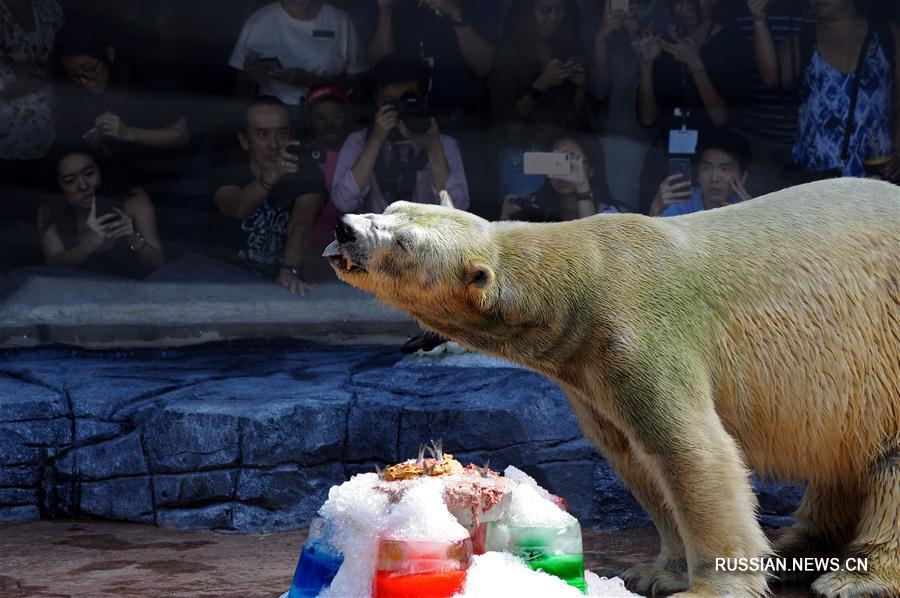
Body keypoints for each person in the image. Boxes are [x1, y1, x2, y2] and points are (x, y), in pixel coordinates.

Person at [366, 0, 505, 216]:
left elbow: (484, 65)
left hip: (464, 119)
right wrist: (385, 13)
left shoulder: (475, 6)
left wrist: (454, 11)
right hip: (404, 117)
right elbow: (378, 68)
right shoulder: (397, 7)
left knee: (472, 203)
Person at [750, 0, 900, 182]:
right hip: (816, 176)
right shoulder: (805, 38)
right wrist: (759, 19)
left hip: (877, 169)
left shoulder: (887, 34)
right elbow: (771, 77)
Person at [212, 96, 327, 296]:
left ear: (291, 135)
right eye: (263, 134)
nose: (274, 144)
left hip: (281, 282)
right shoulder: (229, 166)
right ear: (244, 141)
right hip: (225, 283)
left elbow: (300, 227)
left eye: (282, 133)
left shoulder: (308, 172)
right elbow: (237, 208)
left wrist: (289, 271)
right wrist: (272, 174)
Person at [331, 53, 470, 214]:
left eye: (406, 101)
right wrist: (375, 140)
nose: (399, 110)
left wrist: (433, 148)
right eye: (390, 103)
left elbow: (458, 211)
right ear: (377, 101)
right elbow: (343, 202)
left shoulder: (443, 143)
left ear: (423, 99)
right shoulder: (360, 140)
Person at [53, 23, 191, 184]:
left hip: (165, 173)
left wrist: (128, 133)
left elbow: (181, 135)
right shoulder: (74, 94)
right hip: (118, 177)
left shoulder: (144, 80)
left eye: (89, 69)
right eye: (75, 75)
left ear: (109, 55)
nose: (84, 81)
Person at [490, 0, 591, 204]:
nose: (553, 19)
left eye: (560, 11)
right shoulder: (510, 49)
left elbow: (577, 120)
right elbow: (507, 118)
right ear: (529, 10)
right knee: (530, 222)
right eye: (546, 11)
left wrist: (580, 87)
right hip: (525, 153)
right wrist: (541, 85)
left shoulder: (568, 44)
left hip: (559, 154)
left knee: (566, 223)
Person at [586, 0, 671, 212]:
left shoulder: (658, 22)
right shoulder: (592, 27)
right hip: (604, 137)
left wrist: (637, 35)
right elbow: (599, 90)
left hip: (640, 141)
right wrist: (601, 37)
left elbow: (650, 113)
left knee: (631, 210)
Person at [37, 142, 166, 277]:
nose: (83, 186)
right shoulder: (51, 206)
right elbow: (53, 267)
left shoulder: (132, 199)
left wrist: (134, 239)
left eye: (89, 173)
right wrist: (88, 245)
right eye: (70, 180)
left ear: (100, 171)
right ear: (58, 186)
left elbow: (159, 266)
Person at [636, 0, 746, 153]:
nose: (686, 7)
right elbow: (647, 119)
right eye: (678, 1)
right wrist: (645, 64)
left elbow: (721, 118)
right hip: (665, 151)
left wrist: (695, 64)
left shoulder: (731, 42)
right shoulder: (665, 44)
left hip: (713, 156)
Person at [228, 0, 368, 106]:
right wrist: (251, 77)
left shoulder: (340, 20)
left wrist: (312, 81)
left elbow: (358, 86)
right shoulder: (258, 22)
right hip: (273, 117)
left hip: (327, 116)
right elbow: (240, 91)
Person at [500, 131, 620, 221]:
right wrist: (505, 223)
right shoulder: (537, 209)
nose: (562, 171)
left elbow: (592, 247)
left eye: (570, 160)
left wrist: (582, 187)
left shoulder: (610, 215)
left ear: (591, 169)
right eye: (556, 162)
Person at [300, 83, 353, 282]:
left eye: (336, 116)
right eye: (321, 118)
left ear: (347, 116)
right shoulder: (303, 156)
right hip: (313, 247)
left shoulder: (360, 152)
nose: (329, 123)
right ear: (309, 121)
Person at [0, 0, 63, 164]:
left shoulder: (49, 6)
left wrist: (35, 74)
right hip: (8, 138)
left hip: (53, 128)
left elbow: (64, 59)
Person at [649, 128, 753, 216]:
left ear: (743, 176)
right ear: (698, 172)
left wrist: (753, 218)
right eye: (707, 168)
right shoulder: (679, 202)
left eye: (725, 169)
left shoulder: (746, 208)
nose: (714, 179)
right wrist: (655, 212)